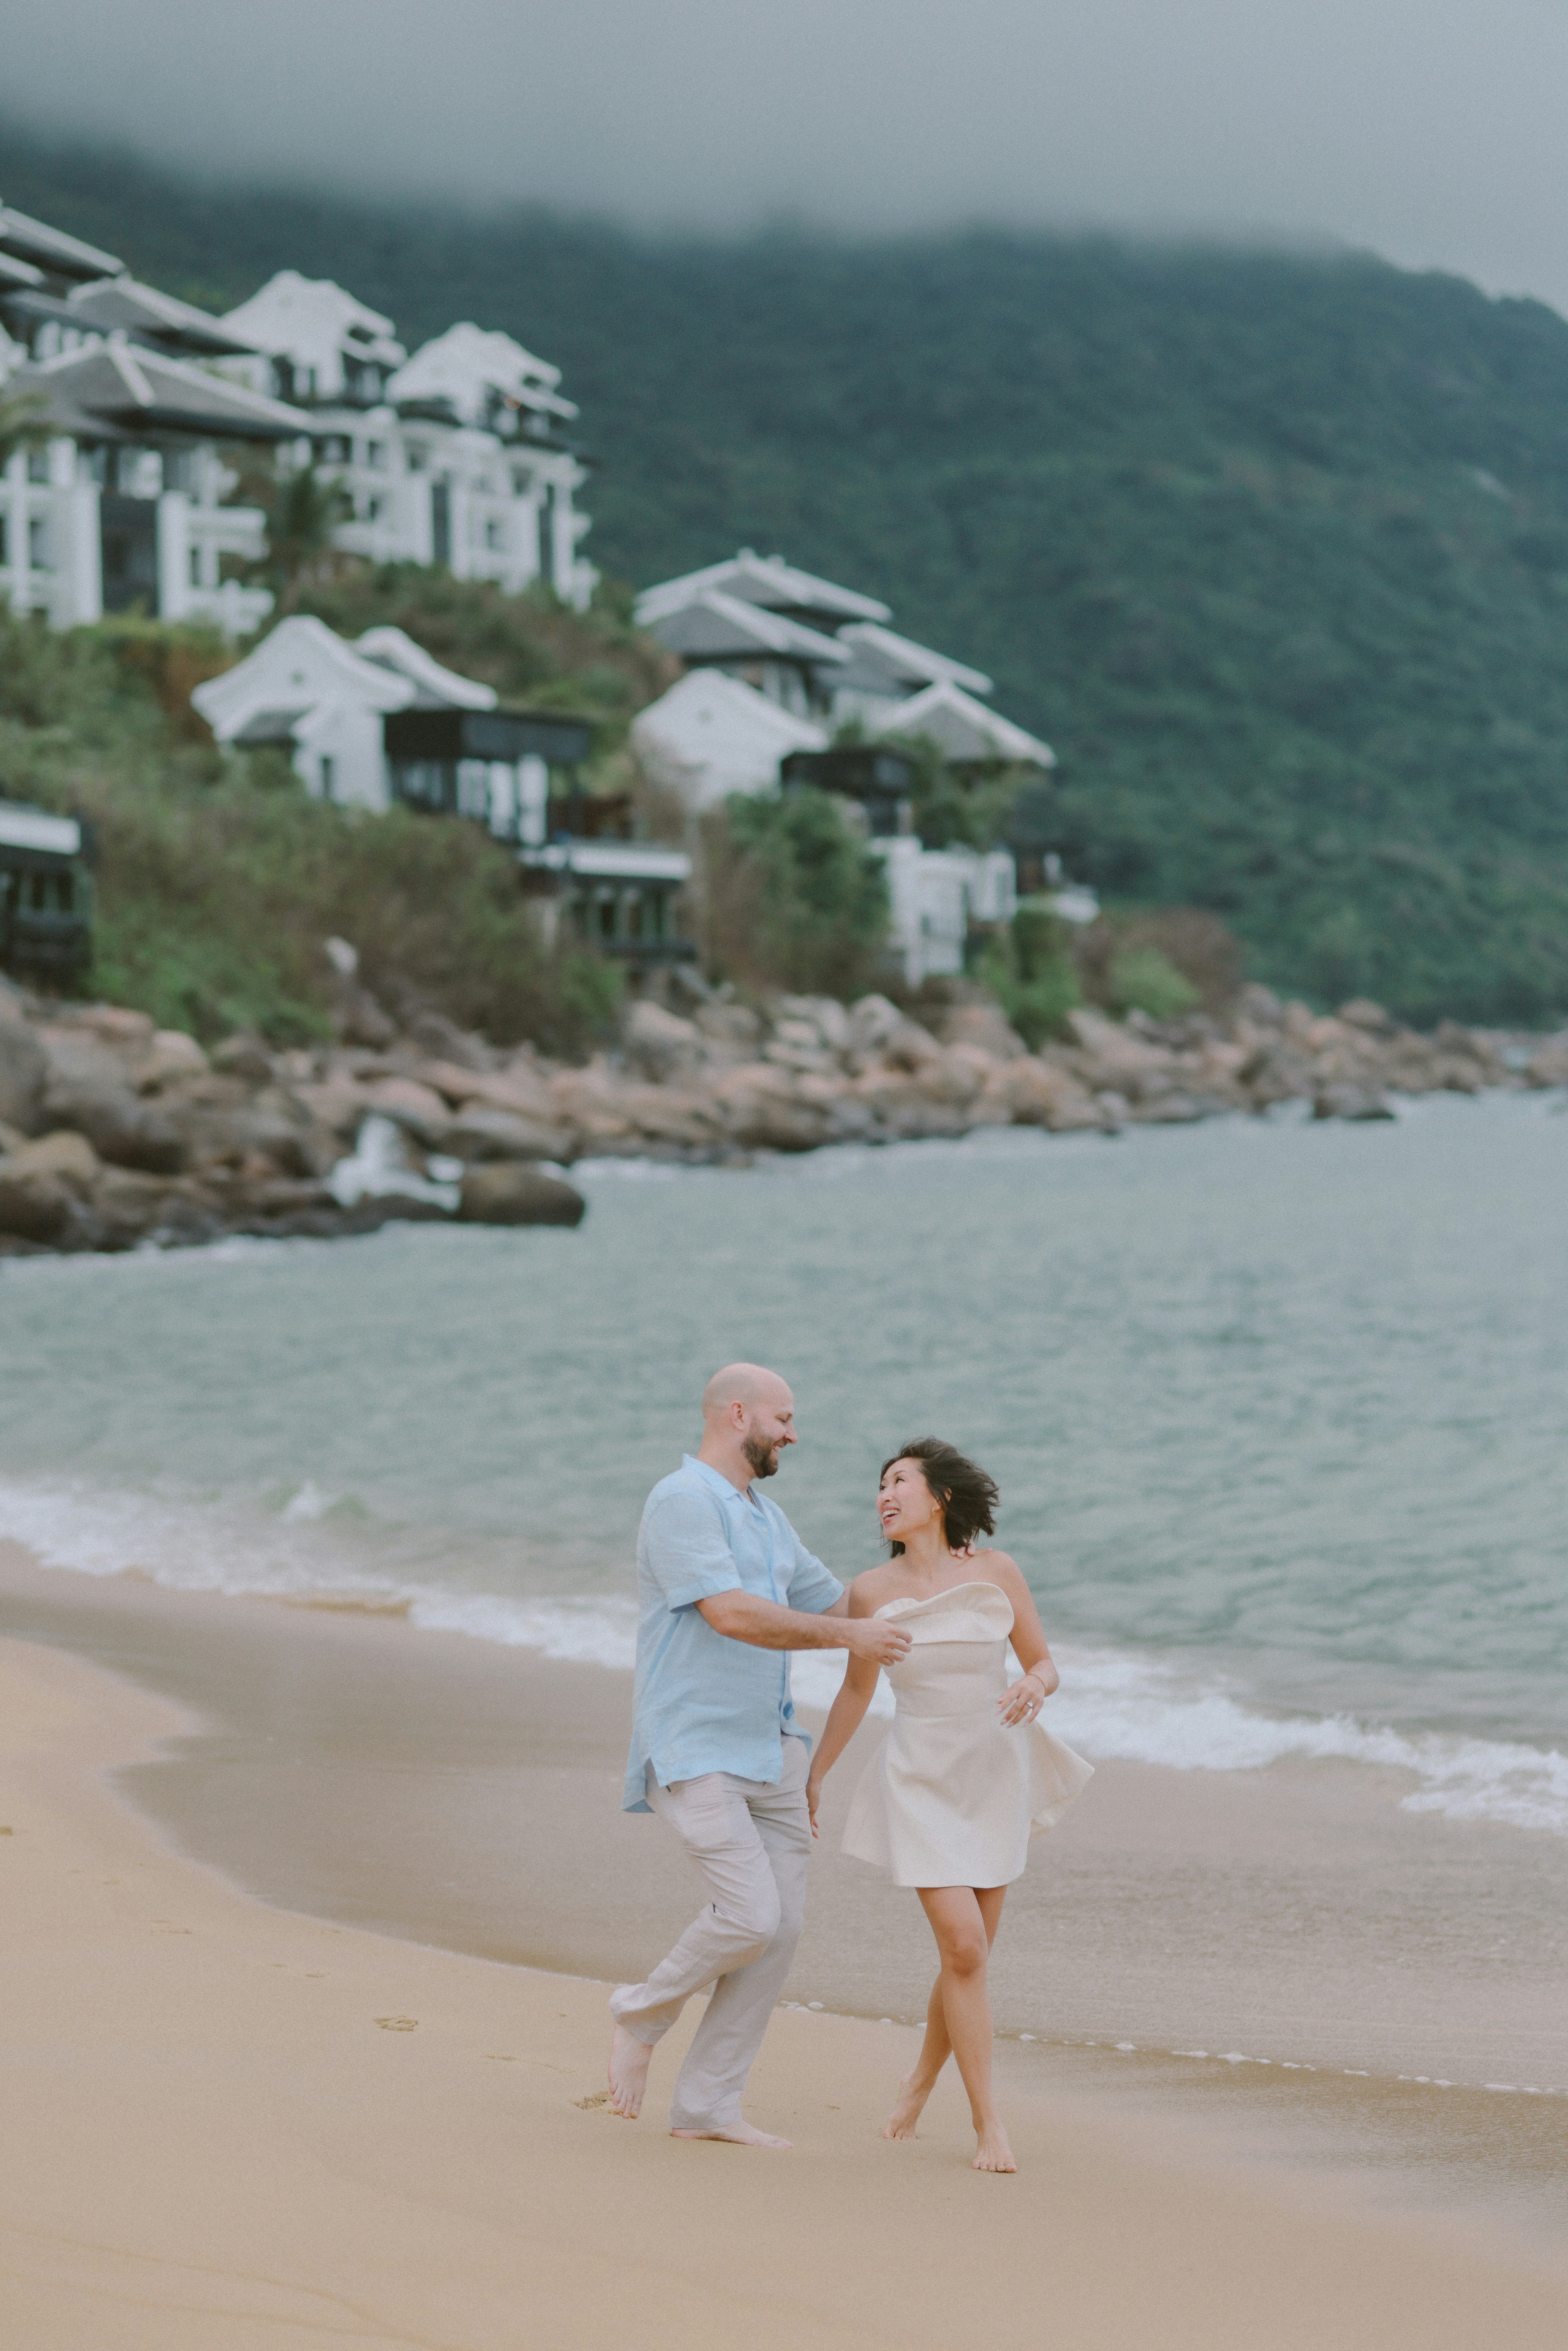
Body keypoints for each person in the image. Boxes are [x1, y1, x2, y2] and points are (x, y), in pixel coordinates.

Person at [608, 1362, 912, 2148]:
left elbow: (841, 1604)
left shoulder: (766, 1518)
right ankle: (641, 2013)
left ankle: (707, 2104)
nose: (793, 1434)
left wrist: (932, 1573)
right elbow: (733, 1615)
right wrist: (852, 1636)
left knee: (777, 1935)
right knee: (748, 1915)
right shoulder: (681, 1501)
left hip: (772, 1751)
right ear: (737, 1414)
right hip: (696, 1744)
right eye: (783, 1418)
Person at [806, 1438, 1092, 2172]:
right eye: (879, 1485)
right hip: (919, 1774)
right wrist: (815, 1777)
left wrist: (1036, 1685)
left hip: (994, 1769)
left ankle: (920, 2080)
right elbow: (856, 1692)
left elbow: (1043, 1662)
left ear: (939, 1498)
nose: (884, 1494)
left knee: (967, 1958)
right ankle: (988, 2123)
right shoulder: (869, 1590)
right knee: (963, 1946)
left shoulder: (996, 1572)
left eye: (899, 1481)